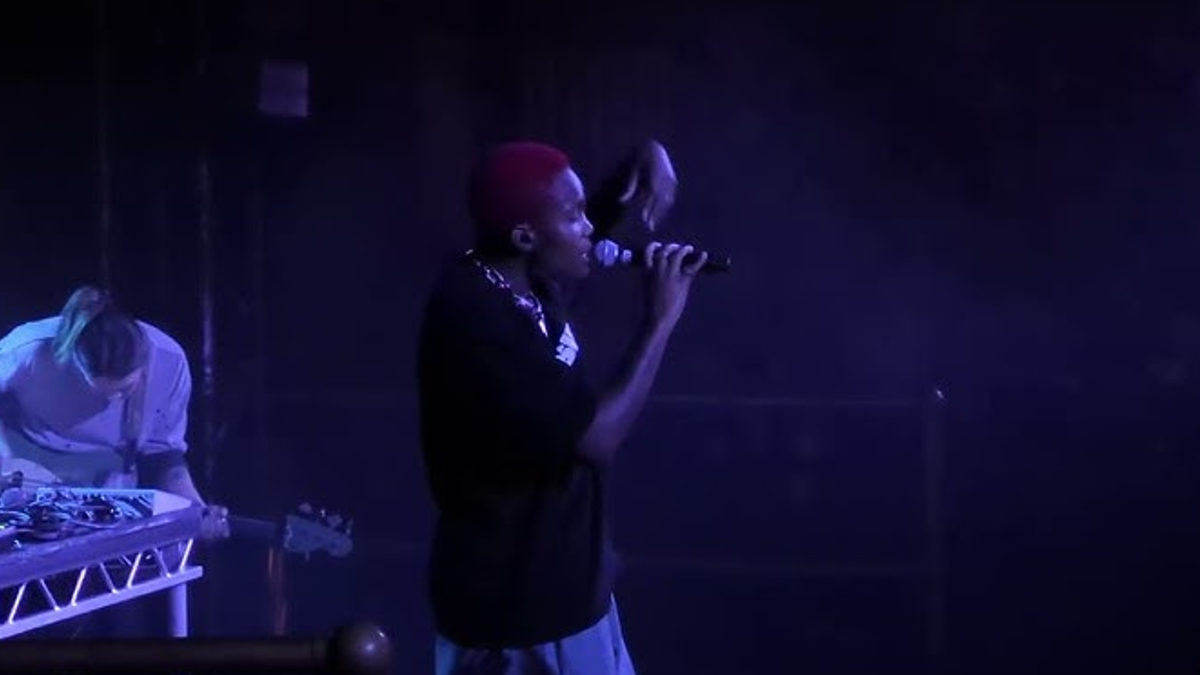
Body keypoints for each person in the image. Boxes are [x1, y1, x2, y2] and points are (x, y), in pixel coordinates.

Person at [417, 140, 707, 675]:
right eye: (574, 217)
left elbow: (562, 228)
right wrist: (660, 320)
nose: (588, 228)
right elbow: (596, 440)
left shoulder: (520, 277)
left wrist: (637, 162)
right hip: (522, 623)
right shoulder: (479, 322)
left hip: (571, 606)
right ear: (525, 237)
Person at [0, 286, 226, 529]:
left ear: (144, 367)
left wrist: (195, 512)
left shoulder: (169, 362)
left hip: (105, 506)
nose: (112, 401)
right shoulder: (25, 352)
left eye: (124, 390)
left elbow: (163, 457)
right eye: (98, 390)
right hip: (23, 492)